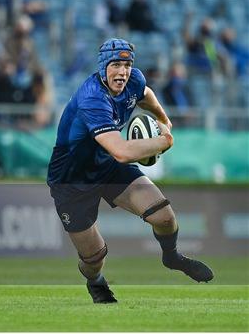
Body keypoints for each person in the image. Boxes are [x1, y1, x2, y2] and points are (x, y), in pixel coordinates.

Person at [46, 38, 213, 304]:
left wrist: (163, 120)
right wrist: (163, 141)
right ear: (103, 67)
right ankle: (96, 282)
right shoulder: (92, 98)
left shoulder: (133, 80)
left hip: (107, 167)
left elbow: (146, 95)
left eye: (126, 64)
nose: (122, 71)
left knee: (164, 217)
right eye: (116, 65)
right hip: (71, 179)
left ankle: (171, 257)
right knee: (94, 258)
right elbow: (121, 152)